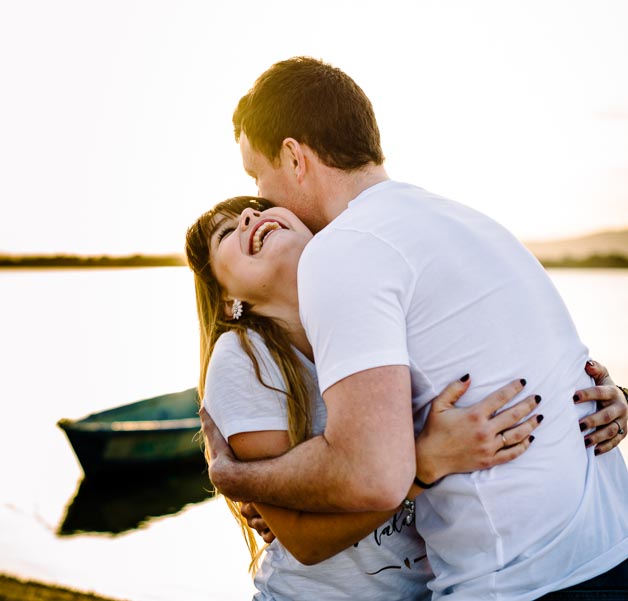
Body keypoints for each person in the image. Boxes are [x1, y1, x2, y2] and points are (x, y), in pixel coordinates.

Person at [200, 57, 628, 599]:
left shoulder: (344, 249)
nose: (259, 199)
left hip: (522, 579)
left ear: (293, 157)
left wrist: (237, 477)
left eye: (256, 176)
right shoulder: (470, 221)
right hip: (611, 544)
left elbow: (372, 475)